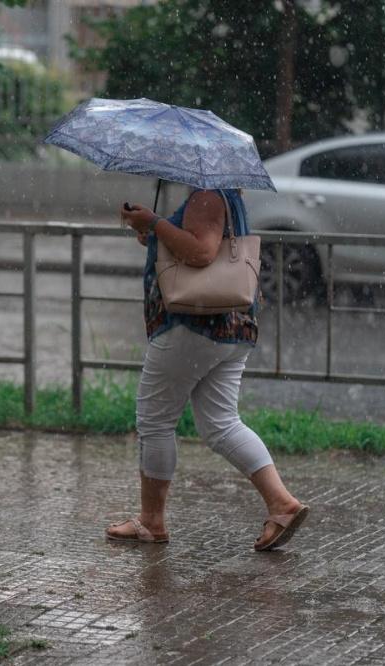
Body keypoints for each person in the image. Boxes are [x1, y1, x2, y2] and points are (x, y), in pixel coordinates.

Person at [106, 187, 309, 551]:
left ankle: (152, 521)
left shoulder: (206, 196)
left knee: (155, 420)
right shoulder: (227, 196)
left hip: (193, 326)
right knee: (221, 423)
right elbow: (198, 244)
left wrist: (153, 222)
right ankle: (282, 504)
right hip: (231, 328)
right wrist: (156, 233)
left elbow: (202, 252)